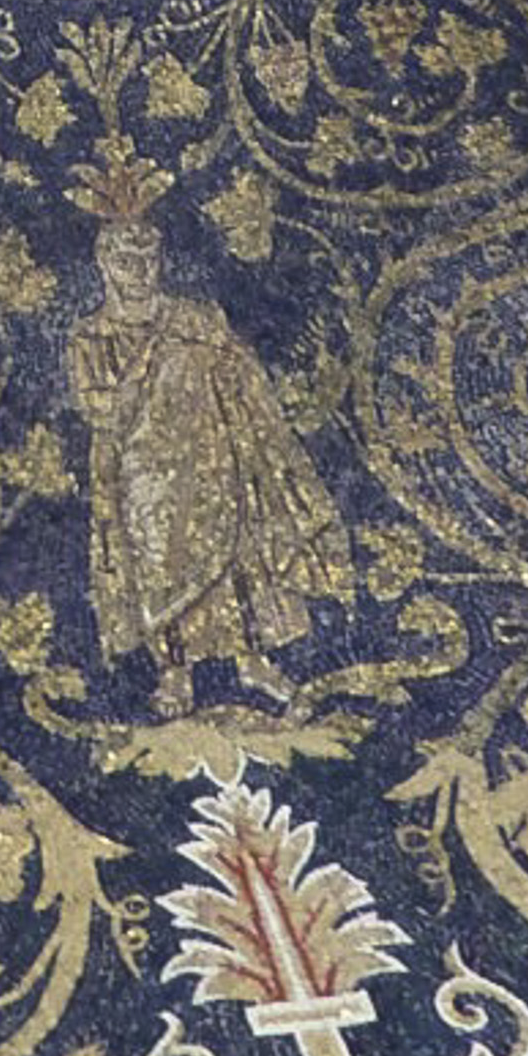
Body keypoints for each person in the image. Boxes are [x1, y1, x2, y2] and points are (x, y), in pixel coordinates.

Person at [66, 216, 352, 714]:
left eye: (149, 260)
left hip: (210, 453)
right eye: (127, 262)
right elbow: (99, 409)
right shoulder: (91, 336)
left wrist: (218, 357)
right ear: (106, 265)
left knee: (237, 553)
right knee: (162, 565)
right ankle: (175, 671)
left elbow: (240, 369)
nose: (140, 273)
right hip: (143, 474)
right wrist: (153, 361)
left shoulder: (194, 319)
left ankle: (252, 659)